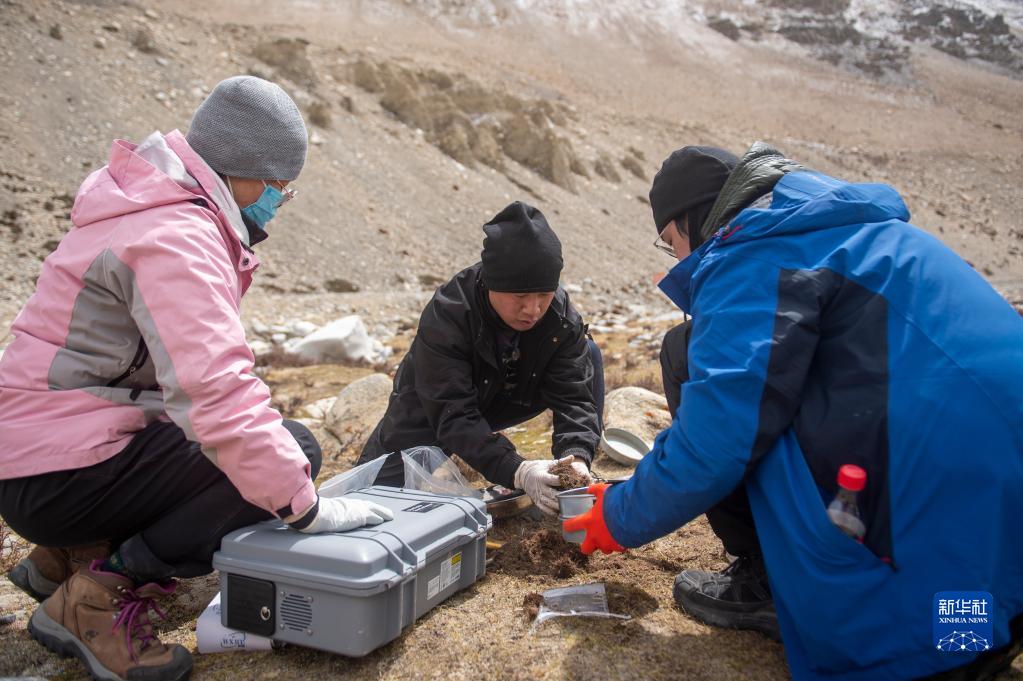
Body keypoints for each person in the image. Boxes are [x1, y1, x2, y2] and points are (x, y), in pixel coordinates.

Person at [565, 142, 1023, 680]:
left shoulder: (751, 253)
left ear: (696, 219)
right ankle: (982, 629)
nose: (680, 261)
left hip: (924, 556)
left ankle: (781, 589)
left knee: (689, 359)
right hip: (1002, 536)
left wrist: (616, 515)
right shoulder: (849, 228)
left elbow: (718, 436)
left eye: (672, 244)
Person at [0, 76, 394, 681]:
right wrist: (306, 507)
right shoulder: (178, 236)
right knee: (292, 452)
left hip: (36, 457)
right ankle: (98, 596)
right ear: (246, 172)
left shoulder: (141, 205)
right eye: (280, 188)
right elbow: (216, 393)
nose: (279, 202)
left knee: (235, 451)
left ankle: (64, 557)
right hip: (57, 476)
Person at [357, 201, 603, 515]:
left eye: (543, 294)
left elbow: (574, 398)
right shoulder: (448, 314)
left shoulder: (560, 317)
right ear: (492, 284)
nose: (533, 309)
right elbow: (453, 413)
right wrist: (517, 470)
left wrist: (576, 458)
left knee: (588, 354)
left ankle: (571, 483)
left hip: (511, 392)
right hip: (436, 404)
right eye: (520, 296)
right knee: (371, 496)